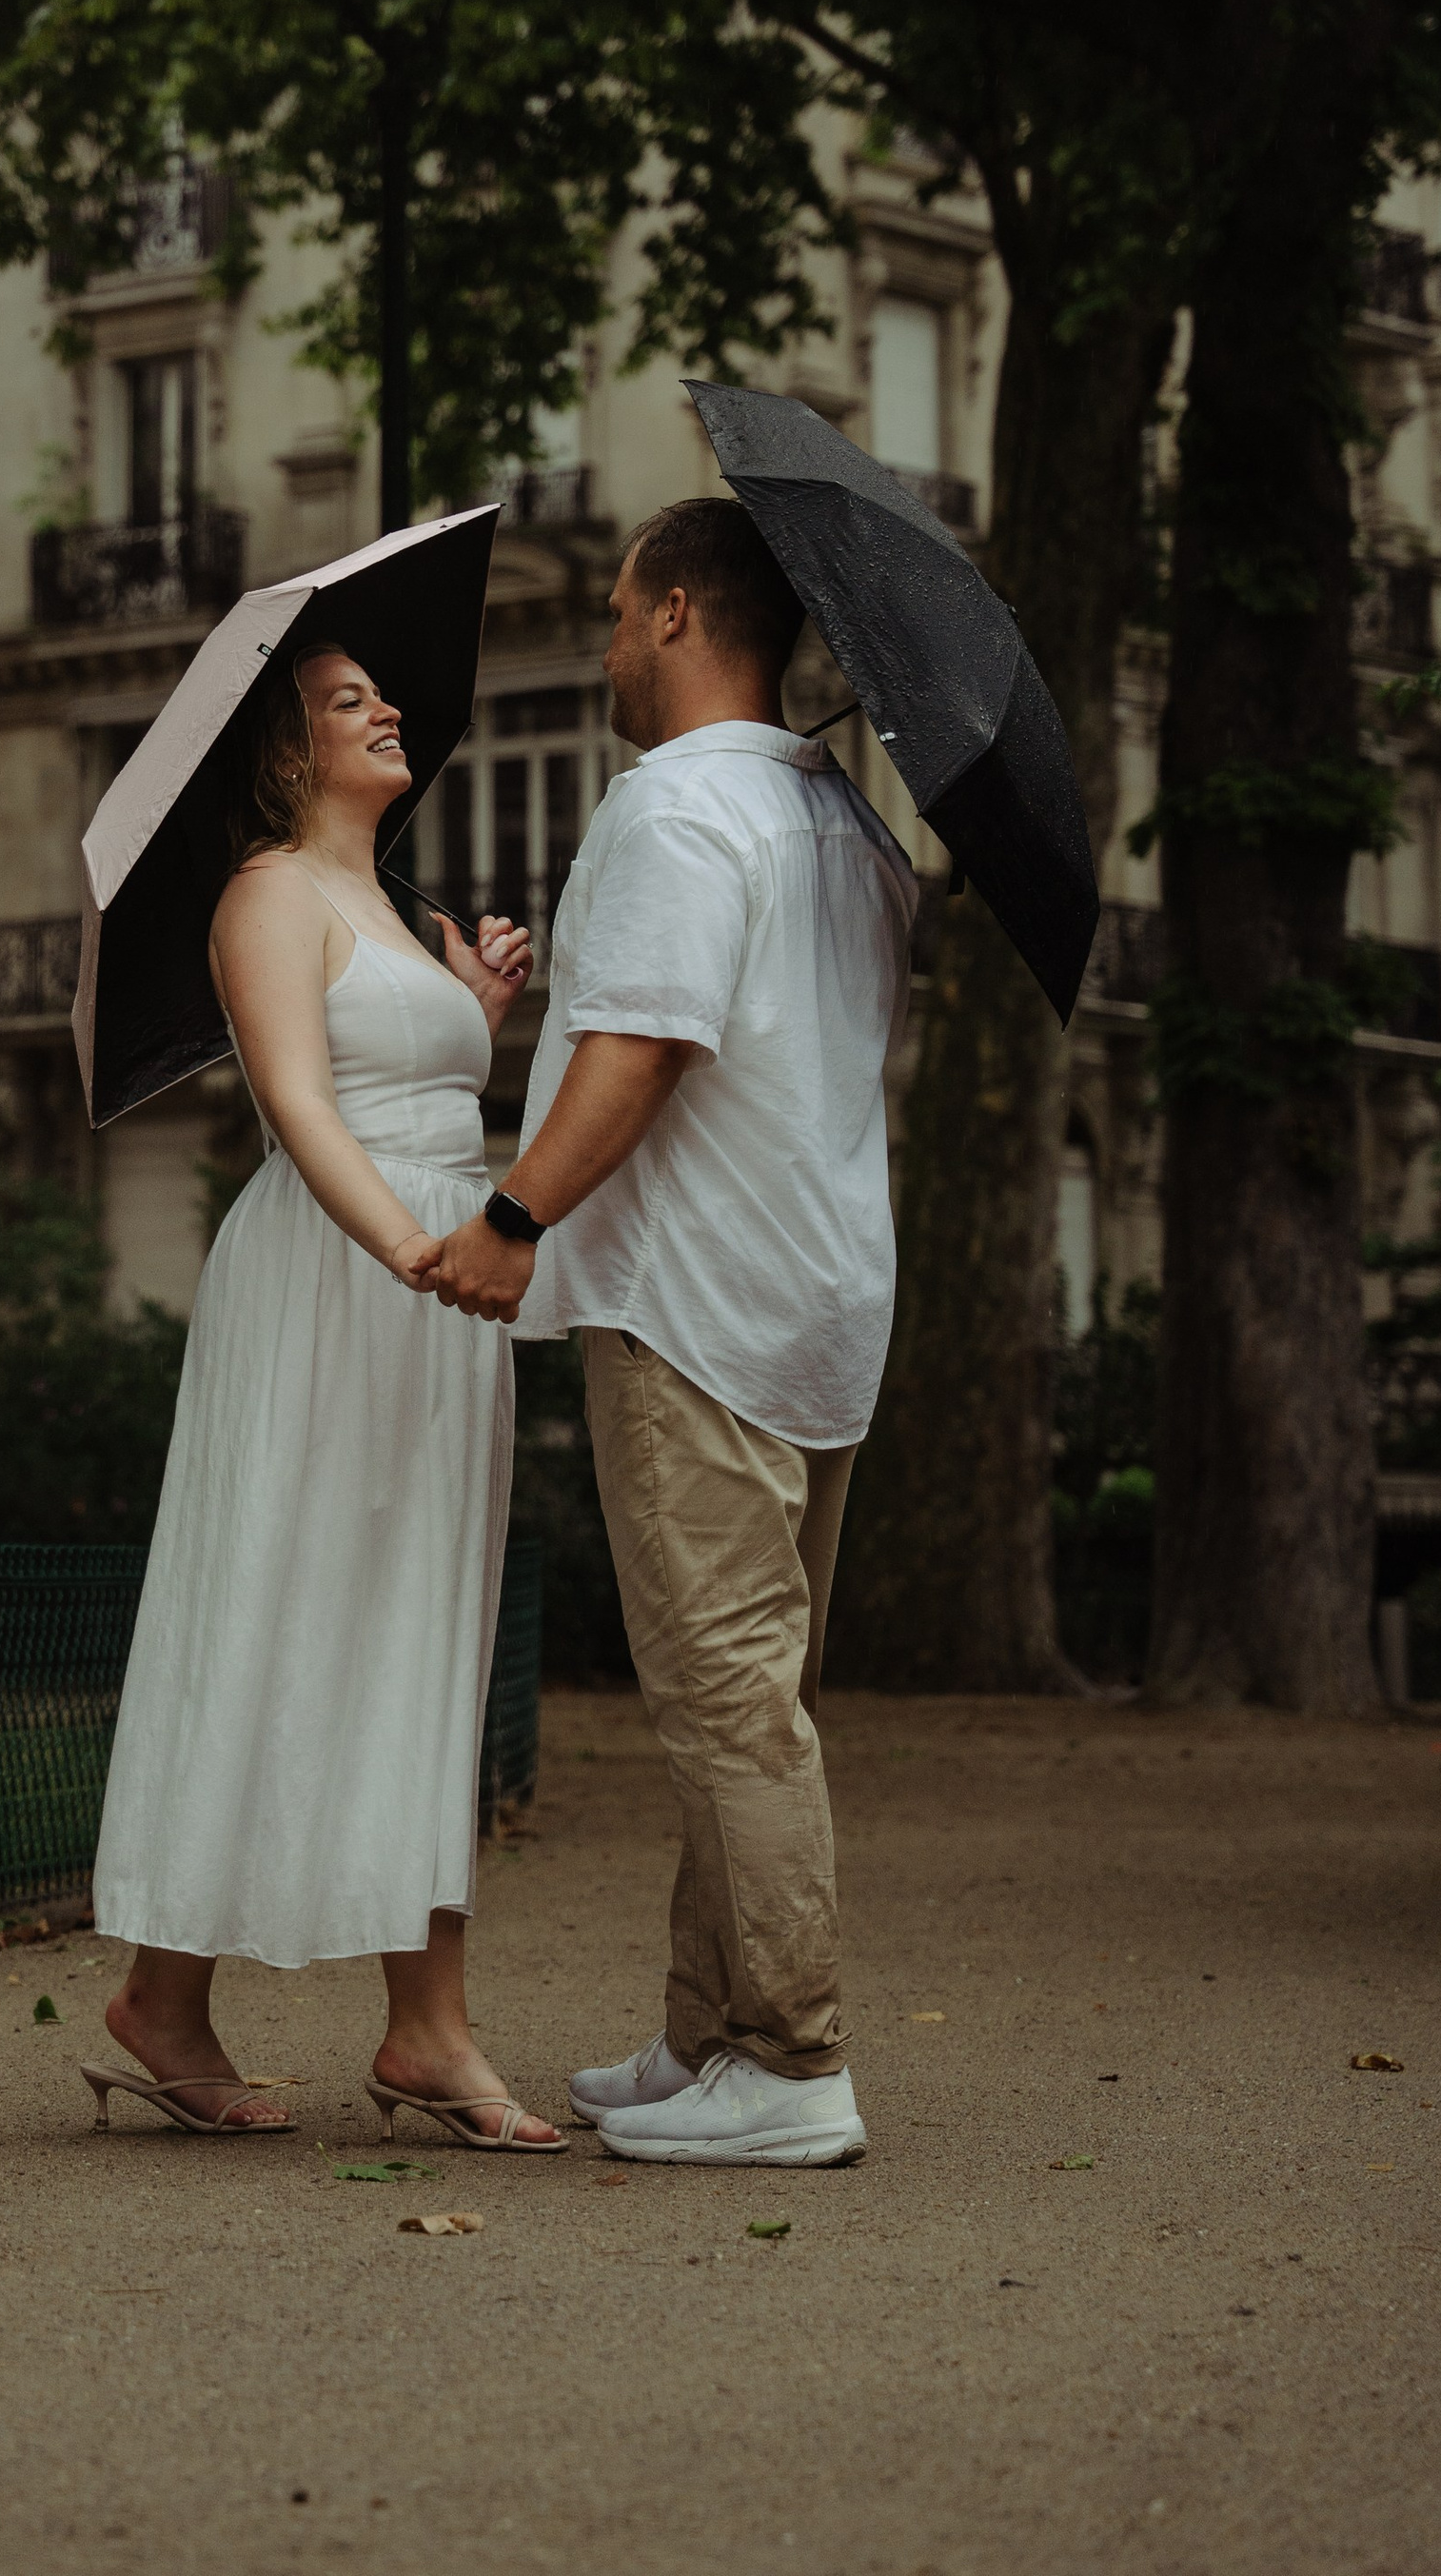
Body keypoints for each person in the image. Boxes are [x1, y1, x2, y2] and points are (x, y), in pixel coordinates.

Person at [418, 498, 915, 2170]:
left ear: (683, 610)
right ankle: (712, 2035)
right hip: (823, 1303)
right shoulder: (844, 820)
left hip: (696, 1307)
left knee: (727, 1704)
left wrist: (510, 1219)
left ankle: (789, 2059)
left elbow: (638, 1045)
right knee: (758, 1694)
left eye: (623, 613)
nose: (607, 643)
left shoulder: (676, 808)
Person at [85, 642, 564, 2150]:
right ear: (287, 755)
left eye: (381, 695)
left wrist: (473, 1002)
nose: (386, 710)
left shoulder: (406, 913)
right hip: (339, 1272)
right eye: (349, 700)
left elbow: (418, 1090)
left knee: (425, 1623)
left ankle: (427, 2028)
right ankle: (163, 1997)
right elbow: (299, 1107)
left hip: (437, 1280)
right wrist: (413, 1245)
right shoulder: (267, 895)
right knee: (283, 1602)